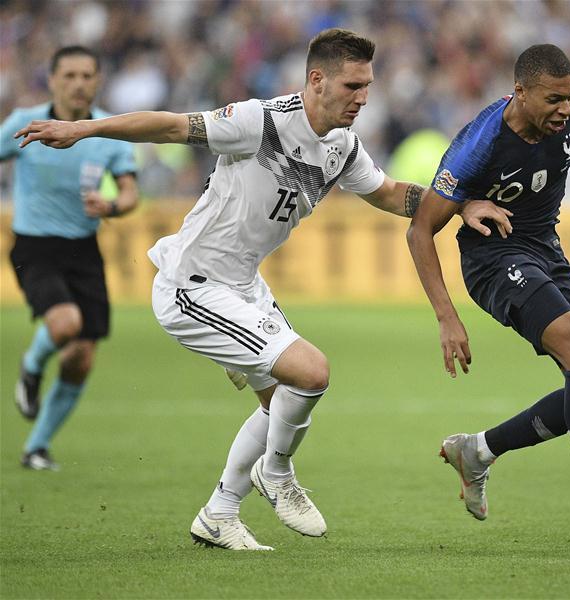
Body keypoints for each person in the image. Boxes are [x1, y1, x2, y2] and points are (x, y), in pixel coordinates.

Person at [16, 29, 496, 551]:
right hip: (192, 285)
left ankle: (219, 513)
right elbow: (172, 126)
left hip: (244, 284)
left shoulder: (342, 145)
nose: (363, 98)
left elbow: (389, 192)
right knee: (311, 373)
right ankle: (278, 472)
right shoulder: (261, 122)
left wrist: (460, 205)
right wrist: (83, 129)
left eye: (367, 86)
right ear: (317, 79)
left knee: (278, 404)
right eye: (352, 86)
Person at [406, 44, 570, 551]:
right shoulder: (479, 144)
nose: (565, 109)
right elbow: (420, 230)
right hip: (493, 259)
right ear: (520, 93)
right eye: (553, 99)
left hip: (547, 251)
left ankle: (478, 451)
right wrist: (447, 317)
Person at [0, 46, 139, 471]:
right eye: (69, 75)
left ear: (98, 81)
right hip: (35, 245)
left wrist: (111, 206)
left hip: (84, 251)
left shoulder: (107, 131)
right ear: (52, 79)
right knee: (65, 324)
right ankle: (31, 365)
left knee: (80, 358)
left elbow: (130, 193)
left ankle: (36, 448)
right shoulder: (25, 123)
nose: (78, 83)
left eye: (86, 75)